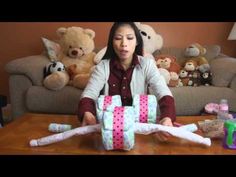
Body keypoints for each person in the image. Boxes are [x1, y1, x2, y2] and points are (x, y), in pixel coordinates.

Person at [78, 22, 176, 141]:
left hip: (140, 130)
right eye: (118, 38)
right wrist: (87, 113)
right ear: (111, 42)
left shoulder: (147, 65)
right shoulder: (102, 67)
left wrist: (167, 117)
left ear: (137, 41)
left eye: (130, 38)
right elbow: (89, 94)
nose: (124, 44)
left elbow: (163, 92)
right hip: (110, 131)